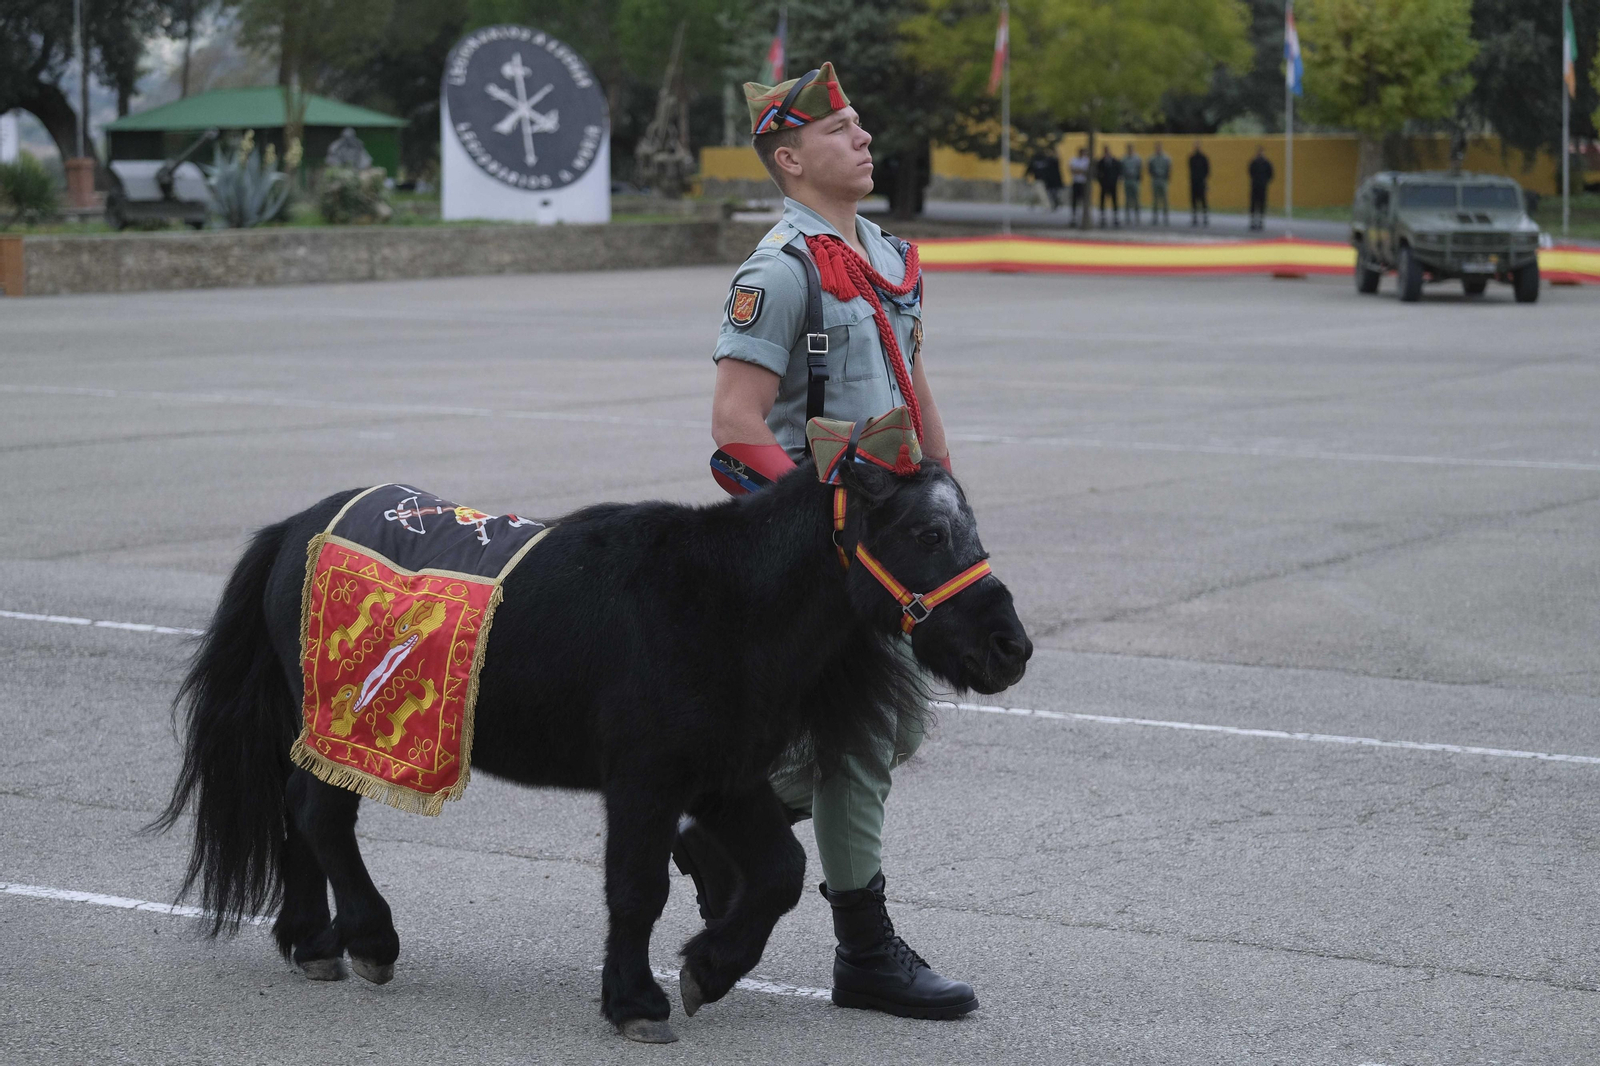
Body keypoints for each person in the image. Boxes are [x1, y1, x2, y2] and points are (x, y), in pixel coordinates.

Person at [696, 62, 976, 1022]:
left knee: (893, 728)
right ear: (790, 156)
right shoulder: (777, 272)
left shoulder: (890, 259)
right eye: (841, 129)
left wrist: (943, 488)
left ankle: (727, 827)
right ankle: (865, 949)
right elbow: (737, 423)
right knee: (860, 738)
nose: (862, 137)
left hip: (889, 538)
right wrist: (824, 519)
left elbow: (910, 381)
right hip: (815, 549)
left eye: (860, 124)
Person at [1247, 145, 1274, 231]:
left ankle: (1260, 222)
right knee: (1254, 204)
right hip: (1255, 185)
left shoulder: (1266, 163)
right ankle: (1253, 221)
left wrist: (1265, 181)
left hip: (1262, 186)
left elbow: (1270, 174)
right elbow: (1250, 172)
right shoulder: (1254, 162)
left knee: (1261, 204)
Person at [1095, 145, 1123, 227]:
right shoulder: (1101, 162)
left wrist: (1115, 180)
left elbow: (1118, 172)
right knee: (1102, 200)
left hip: (1112, 184)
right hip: (1104, 184)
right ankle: (1102, 217)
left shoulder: (1115, 161)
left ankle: (1115, 217)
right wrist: (1101, 182)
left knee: (1114, 200)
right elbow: (1097, 173)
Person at [1147, 141, 1172, 226]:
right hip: (1155, 179)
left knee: (1165, 199)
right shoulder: (1152, 158)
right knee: (1155, 200)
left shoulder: (1166, 158)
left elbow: (1169, 168)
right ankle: (1155, 217)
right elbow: (1149, 168)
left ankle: (1165, 217)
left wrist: (1166, 177)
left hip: (1163, 180)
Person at [1188, 140, 1210, 227]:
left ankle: (1205, 217)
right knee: (1194, 200)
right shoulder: (1191, 158)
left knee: (1203, 200)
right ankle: (1195, 218)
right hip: (1194, 182)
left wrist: (1204, 179)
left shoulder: (1204, 158)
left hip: (1201, 182)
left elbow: (1207, 170)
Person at [1121, 142, 1143, 226]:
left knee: (1136, 199)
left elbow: (1140, 169)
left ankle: (1137, 217)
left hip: (1134, 180)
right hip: (1127, 180)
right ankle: (1128, 217)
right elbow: (1122, 169)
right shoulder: (1124, 159)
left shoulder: (1137, 159)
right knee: (1127, 200)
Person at [1068, 146, 1090, 227]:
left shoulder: (1087, 161)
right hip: (1076, 182)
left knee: (1083, 201)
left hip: (1083, 183)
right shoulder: (1074, 160)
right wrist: (1080, 170)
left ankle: (1082, 217)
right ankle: (1073, 217)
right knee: (1074, 200)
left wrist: (1078, 170)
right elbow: (1072, 170)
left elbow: (1086, 171)